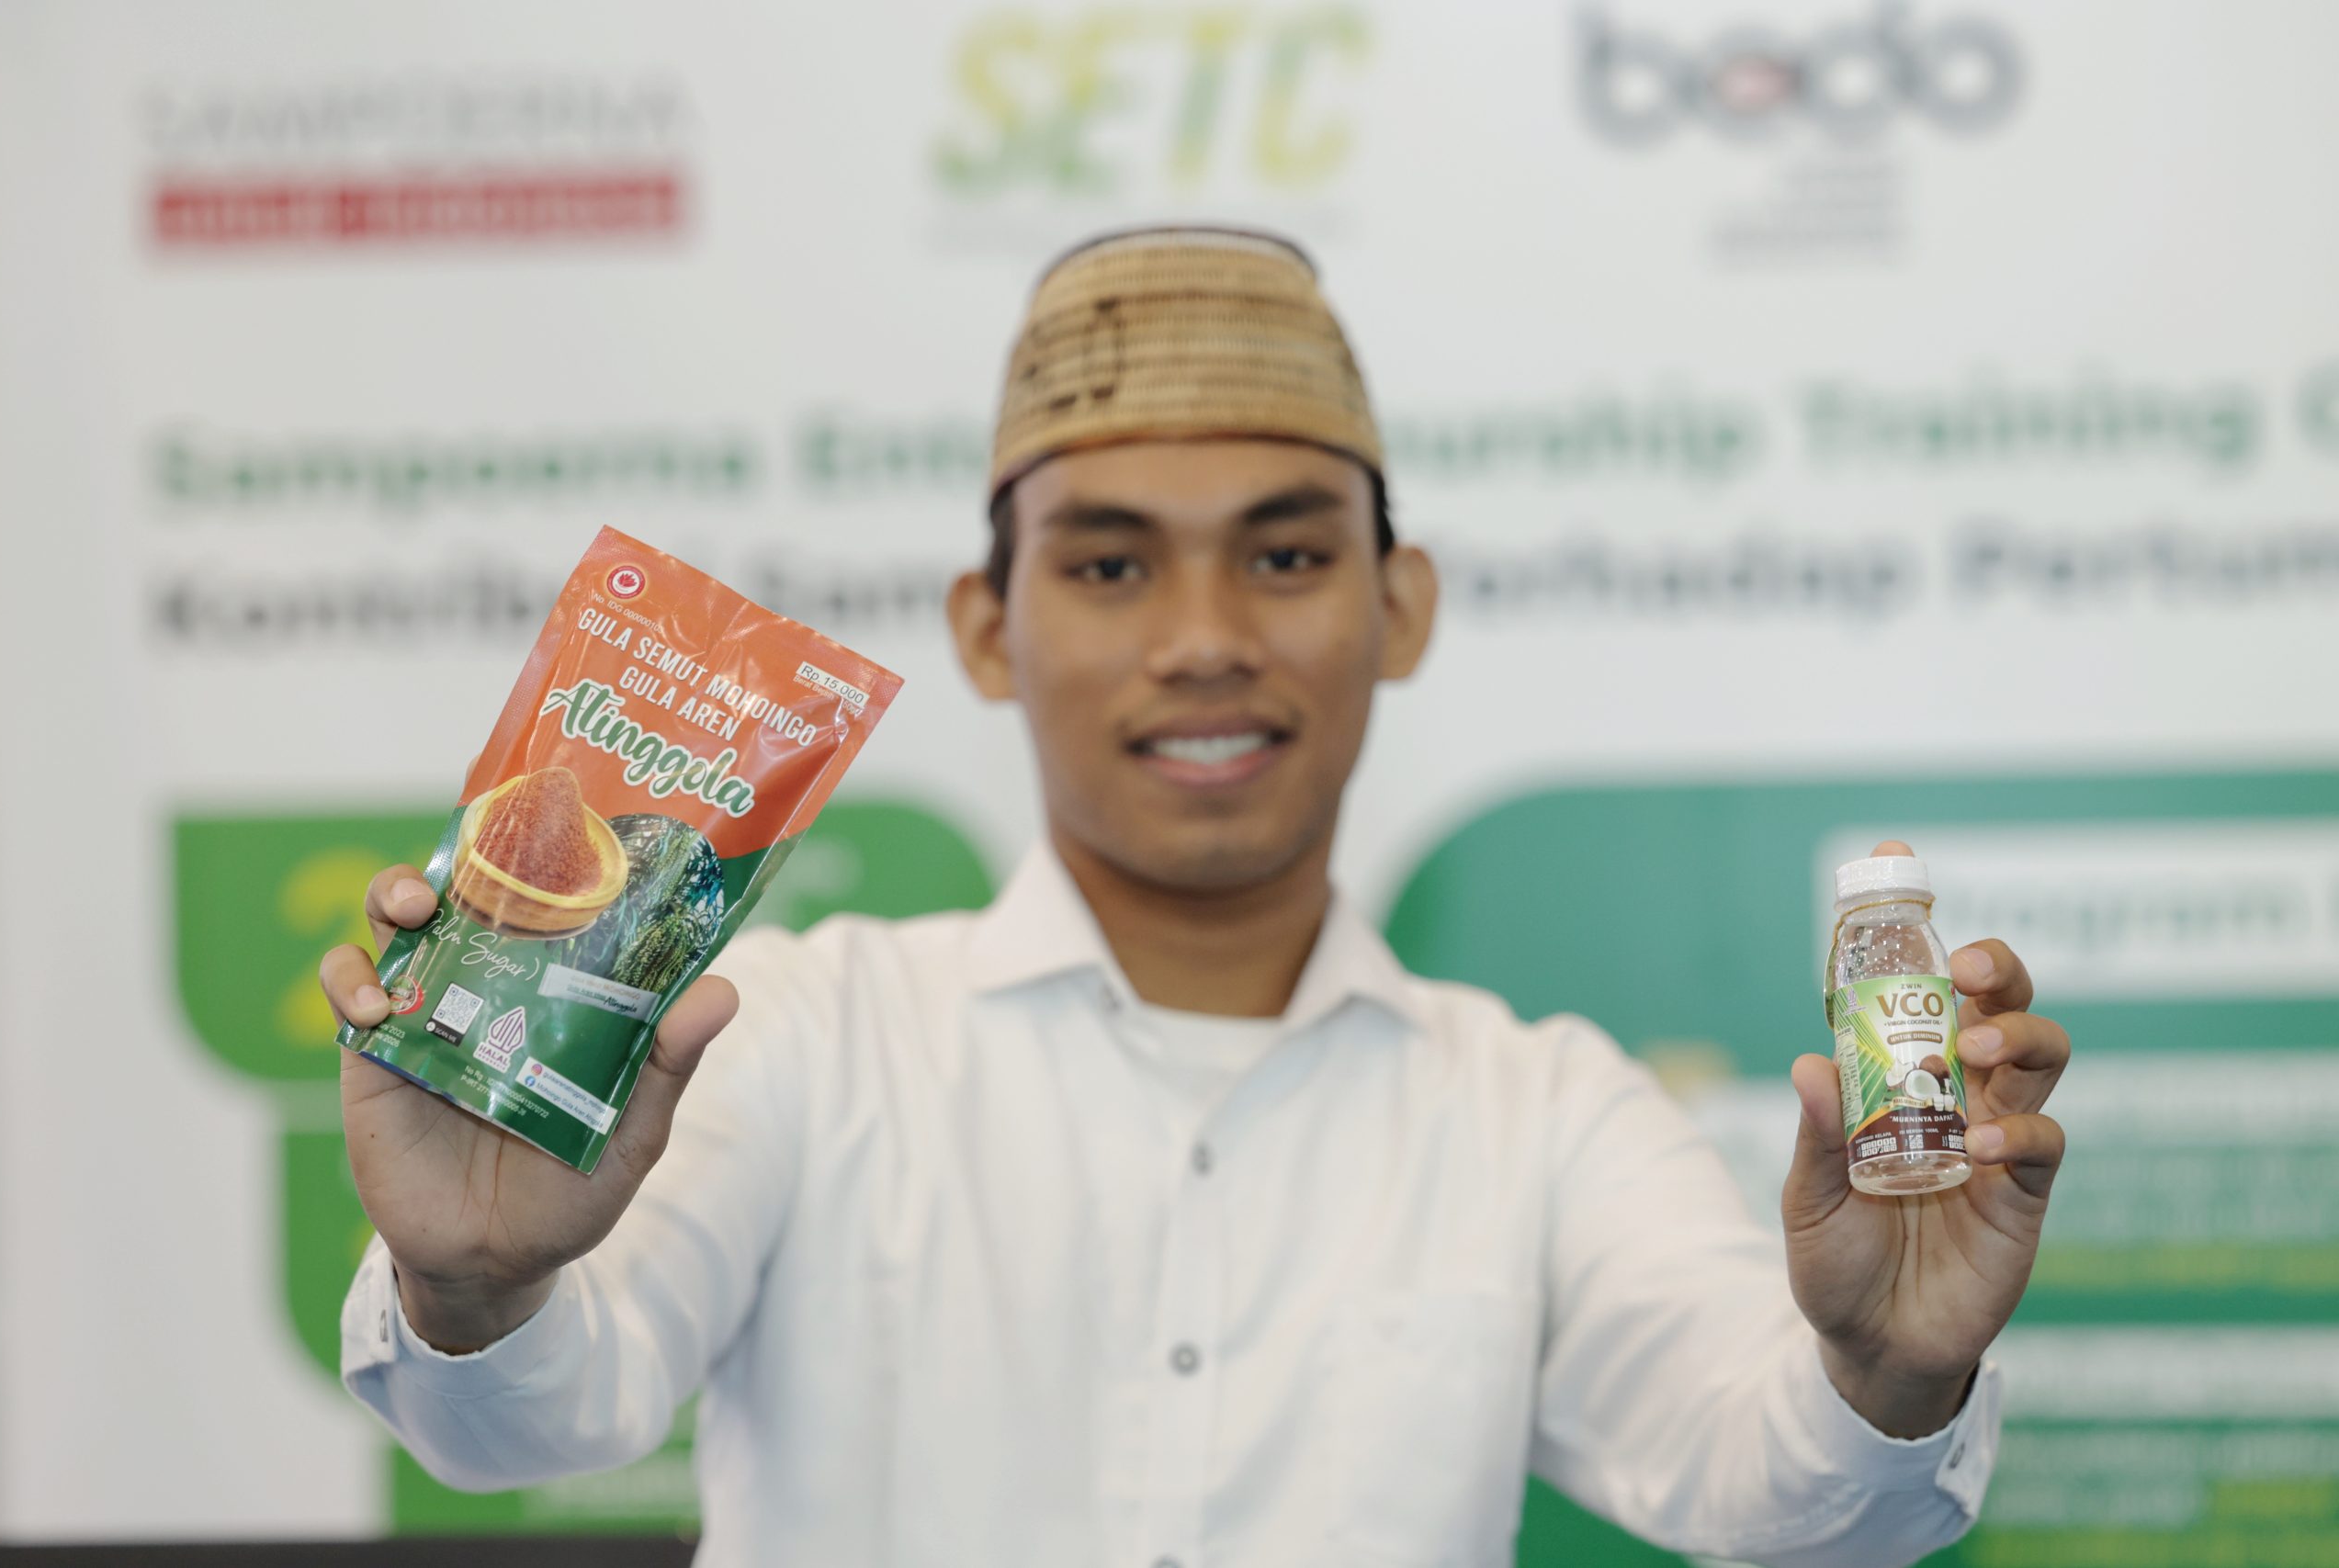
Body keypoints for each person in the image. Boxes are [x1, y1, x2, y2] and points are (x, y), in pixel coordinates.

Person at [321, 227, 2070, 1568]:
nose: (1207, 638)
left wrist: (1888, 1374)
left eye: (1287, 554)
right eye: (1109, 564)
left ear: (1400, 607)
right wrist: (470, 1287)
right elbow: (526, 1420)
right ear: (989, 628)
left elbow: (1791, 1490)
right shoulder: (798, 1031)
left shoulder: (1539, 1109)